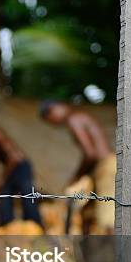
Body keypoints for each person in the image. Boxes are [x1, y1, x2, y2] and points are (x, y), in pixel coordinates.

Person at [39, 100, 116, 234]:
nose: (54, 124)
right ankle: (89, 252)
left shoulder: (73, 119)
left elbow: (91, 154)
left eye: (50, 121)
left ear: (53, 111)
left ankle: (119, 254)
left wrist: (77, 177)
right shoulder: (80, 116)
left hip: (105, 166)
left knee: (107, 217)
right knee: (88, 213)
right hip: (102, 166)